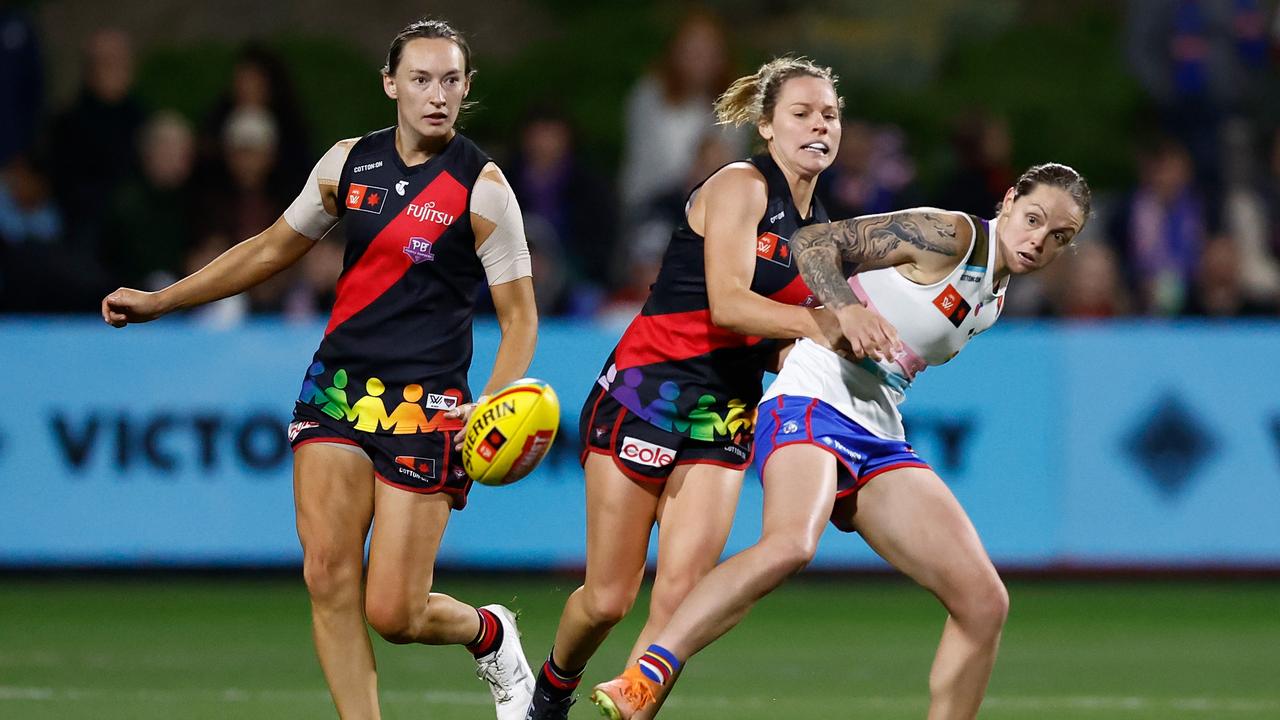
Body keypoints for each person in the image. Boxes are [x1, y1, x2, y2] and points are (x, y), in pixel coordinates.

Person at [100, 18, 539, 720]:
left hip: (427, 409)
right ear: (391, 84)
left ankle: (489, 633)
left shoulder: (482, 188)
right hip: (336, 389)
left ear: (467, 88)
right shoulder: (347, 164)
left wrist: (489, 403)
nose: (437, 95)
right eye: (421, 79)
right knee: (328, 574)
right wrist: (164, 301)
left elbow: (520, 321)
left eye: (451, 80)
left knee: (394, 612)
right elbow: (271, 248)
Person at [591, 163, 1092, 720]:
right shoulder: (953, 234)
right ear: (1008, 199)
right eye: (1034, 219)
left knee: (984, 602)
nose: (1039, 240)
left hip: (875, 424)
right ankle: (645, 677)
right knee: (790, 544)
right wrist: (845, 311)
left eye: (1058, 238)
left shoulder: (994, 296)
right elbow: (814, 243)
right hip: (810, 393)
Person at [524, 57, 886, 720]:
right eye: (802, 114)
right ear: (769, 127)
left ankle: (628, 708)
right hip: (644, 394)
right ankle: (551, 687)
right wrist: (829, 323)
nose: (820, 125)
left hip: (722, 416)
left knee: (681, 598)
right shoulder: (740, 186)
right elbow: (728, 303)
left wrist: (860, 357)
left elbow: (789, 342)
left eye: (829, 114)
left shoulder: (821, 234)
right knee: (607, 599)